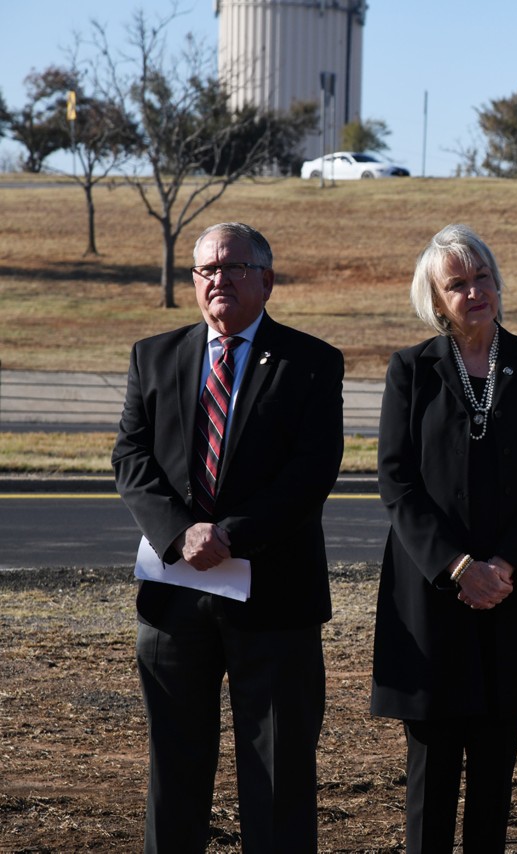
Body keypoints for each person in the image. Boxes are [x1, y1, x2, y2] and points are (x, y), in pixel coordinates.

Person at [113, 221, 345, 851]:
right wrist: (182, 534)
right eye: (206, 270)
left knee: (277, 774)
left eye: (233, 267)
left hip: (275, 598)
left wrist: (229, 537)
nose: (218, 280)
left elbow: (311, 472)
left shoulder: (313, 364)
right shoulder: (153, 357)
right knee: (175, 766)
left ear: (266, 280)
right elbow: (132, 461)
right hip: (173, 598)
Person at [370, 224, 517, 852]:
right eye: (457, 284)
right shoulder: (410, 370)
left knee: (497, 769)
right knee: (432, 772)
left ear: (498, 284)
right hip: (433, 598)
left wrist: (505, 564)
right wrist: (457, 566)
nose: (473, 292)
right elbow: (397, 483)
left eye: (482, 278)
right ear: (435, 299)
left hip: (511, 590)